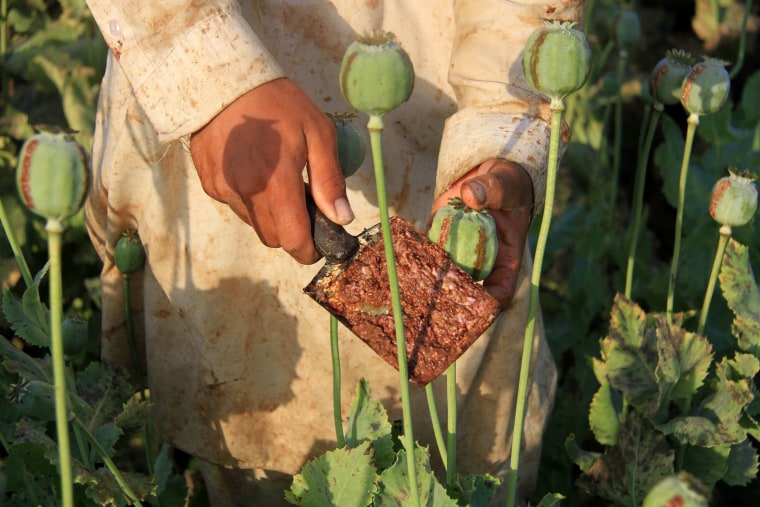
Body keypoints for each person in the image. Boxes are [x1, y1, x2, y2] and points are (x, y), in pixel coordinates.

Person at [83, 1, 583, 505]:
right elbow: (203, 65)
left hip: (440, 134)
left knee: (457, 451)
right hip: (209, 80)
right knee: (251, 421)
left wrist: (506, 134)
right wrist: (213, 72)